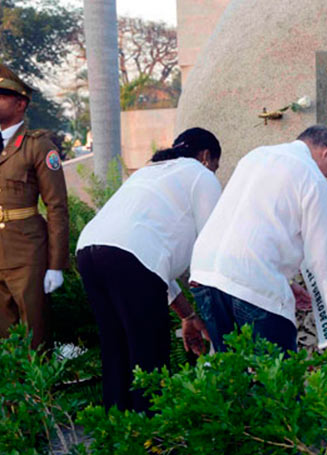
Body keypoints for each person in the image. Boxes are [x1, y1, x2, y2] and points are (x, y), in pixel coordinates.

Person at [76, 128, 222, 413]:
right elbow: (211, 248)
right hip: (131, 258)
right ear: (206, 157)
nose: (214, 172)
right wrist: (214, 318)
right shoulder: (201, 175)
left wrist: (188, 316)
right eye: (216, 166)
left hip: (90, 251)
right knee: (149, 356)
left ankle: (118, 439)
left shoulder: (148, 173)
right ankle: (152, 442)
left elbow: (153, 265)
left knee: (115, 352)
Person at [189, 125, 327, 354]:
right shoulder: (311, 175)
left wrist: (286, 282)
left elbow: (250, 227)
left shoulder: (256, 155)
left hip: (205, 272)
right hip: (251, 281)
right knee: (277, 379)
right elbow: (324, 253)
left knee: (229, 376)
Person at [0, 63, 69, 349]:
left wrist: (56, 266)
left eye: (1, 96)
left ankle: (40, 395)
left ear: (20, 103)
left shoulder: (38, 145)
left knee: (35, 336)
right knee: (2, 337)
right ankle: (9, 396)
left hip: (30, 252)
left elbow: (56, 206)